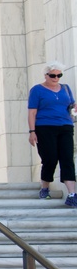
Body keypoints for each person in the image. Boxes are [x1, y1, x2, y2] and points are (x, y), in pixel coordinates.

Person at [28, 61, 76, 205]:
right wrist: (32, 131)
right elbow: (32, 112)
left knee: (67, 159)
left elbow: (71, 105)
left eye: (59, 75)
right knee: (50, 158)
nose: (56, 78)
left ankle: (72, 194)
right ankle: (44, 188)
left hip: (65, 126)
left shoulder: (66, 89)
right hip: (45, 127)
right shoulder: (37, 90)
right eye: (53, 75)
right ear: (46, 75)